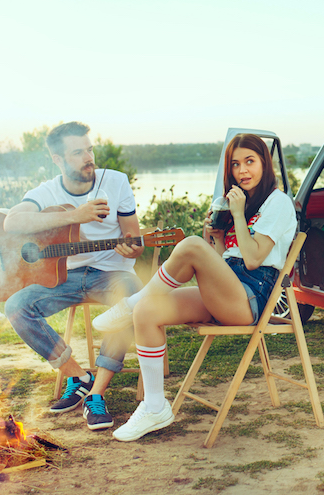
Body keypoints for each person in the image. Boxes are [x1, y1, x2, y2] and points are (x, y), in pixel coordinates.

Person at [92, 134, 297, 441]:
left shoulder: (277, 203)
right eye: (235, 164)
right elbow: (225, 261)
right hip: (228, 289)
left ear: (265, 164)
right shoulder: (242, 202)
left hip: (250, 298)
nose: (242, 170)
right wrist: (217, 238)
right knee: (148, 311)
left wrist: (237, 215)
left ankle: (130, 302)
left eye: (250, 162)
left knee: (190, 246)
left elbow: (254, 259)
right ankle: (154, 406)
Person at [3, 121, 143, 431]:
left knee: (132, 298)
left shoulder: (115, 182)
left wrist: (132, 249)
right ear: (58, 159)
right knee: (16, 307)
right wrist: (74, 216)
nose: (88, 158)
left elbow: (134, 240)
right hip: (63, 276)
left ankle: (96, 394)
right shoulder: (47, 192)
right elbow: (11, 222)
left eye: (89, 150)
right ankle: (78, 376)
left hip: (112, 273)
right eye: (78, 152)